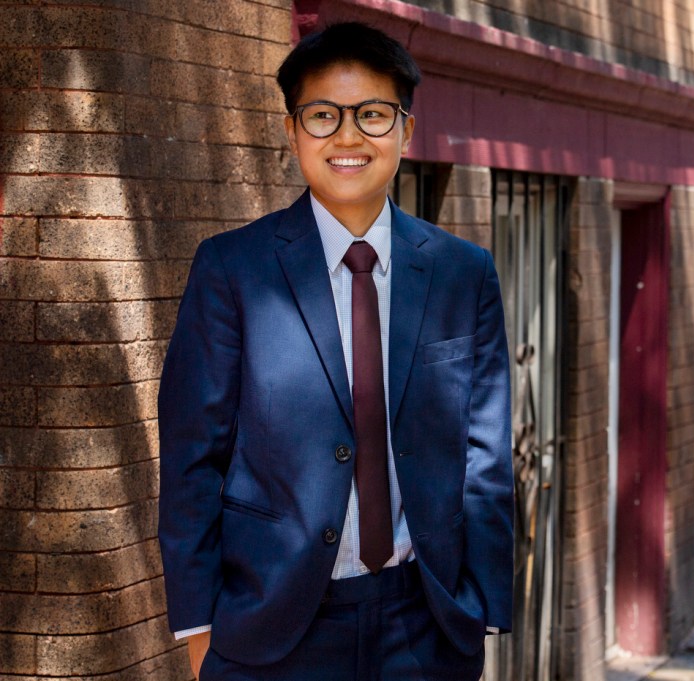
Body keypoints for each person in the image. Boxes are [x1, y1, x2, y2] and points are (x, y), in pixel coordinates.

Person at [157, 21, 513, 680]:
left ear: (406, 131)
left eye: (372, 115)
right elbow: (191, 456)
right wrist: (200, 627)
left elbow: (484, 450)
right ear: (292, 132)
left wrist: (482, 609)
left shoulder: (465, 273)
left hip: (426, 621)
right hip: (273, 625)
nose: (348, 136)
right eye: (323, 116)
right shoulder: (231, 269)